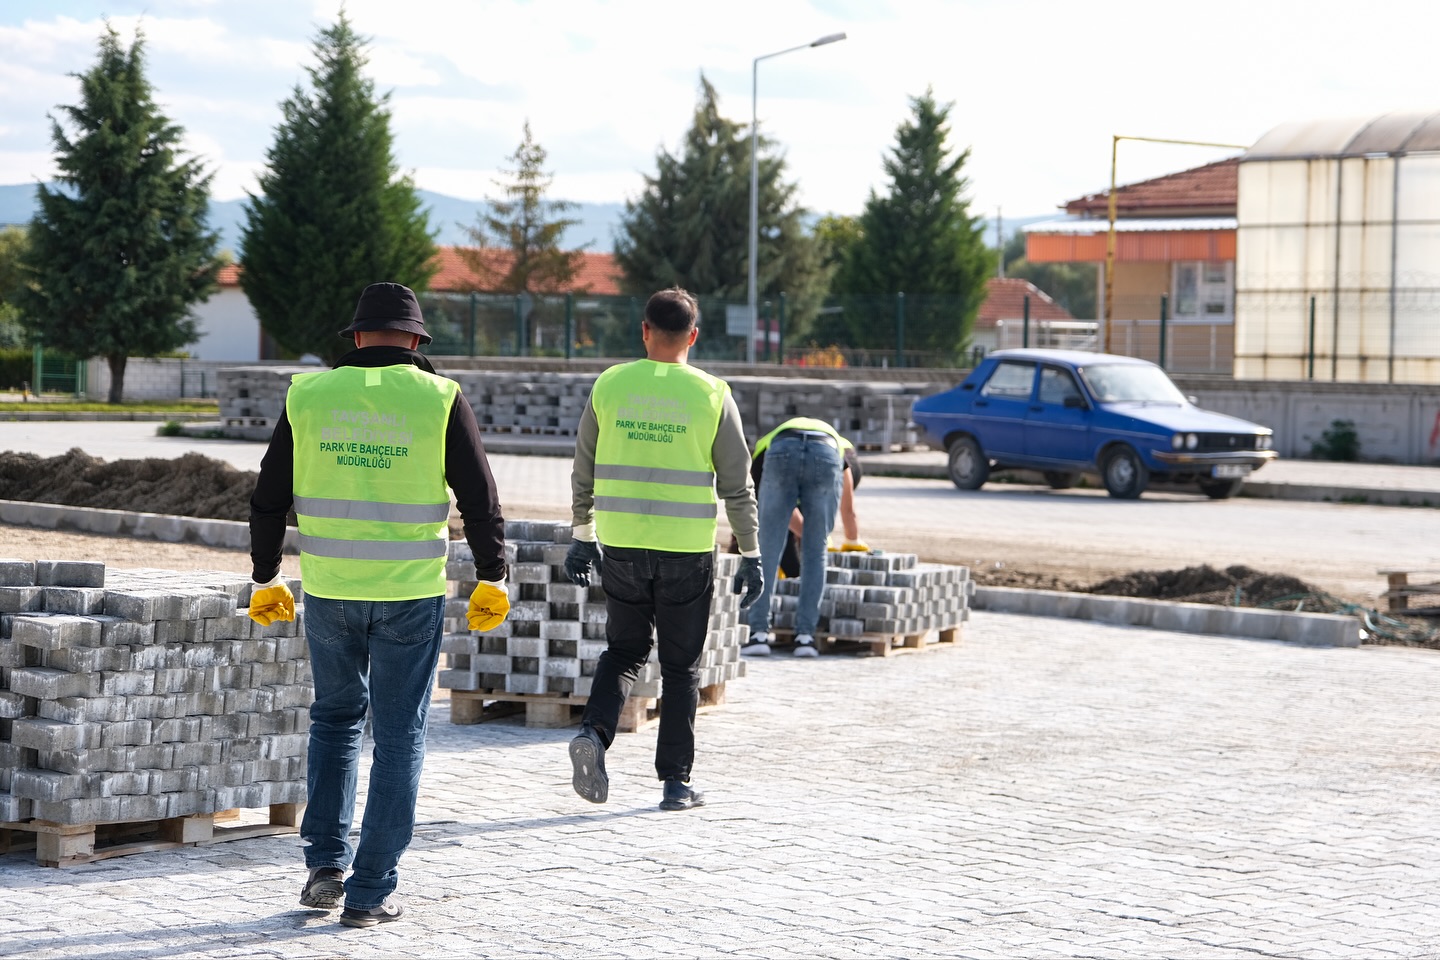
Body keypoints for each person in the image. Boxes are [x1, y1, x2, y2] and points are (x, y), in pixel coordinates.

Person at [248, 282, 509, 929]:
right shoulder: (439, 397)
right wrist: (493, 575)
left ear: (358, 336)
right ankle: (368, 893)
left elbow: (268, 495)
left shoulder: (308, 395)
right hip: (408, 594)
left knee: (335, 722)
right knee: (399, 738)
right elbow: (480, 499)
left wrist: (264, 576)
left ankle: (324, 869)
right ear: (416, 341)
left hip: (330, 591)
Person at [563, 287, 763, 812]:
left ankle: (593, 733)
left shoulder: (610, 384)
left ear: (645, 331)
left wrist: (582, 537)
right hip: (686, 551)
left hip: (622, 545)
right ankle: (675, 783)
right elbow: (737, 486)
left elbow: (583, 470)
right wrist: (751, 553)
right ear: (693, 336)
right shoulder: (712, 393)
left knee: (624, 651)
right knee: (680, 669)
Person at [740, 416, 868, 659]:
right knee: (816, 552)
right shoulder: (841, 449)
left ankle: (758, 635)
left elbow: (766, 510)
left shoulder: (765, 447)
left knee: (768, 549)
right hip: (825, 452)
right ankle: (806, 639)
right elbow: (848, 508)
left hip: (782, 450)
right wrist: (850, 540)